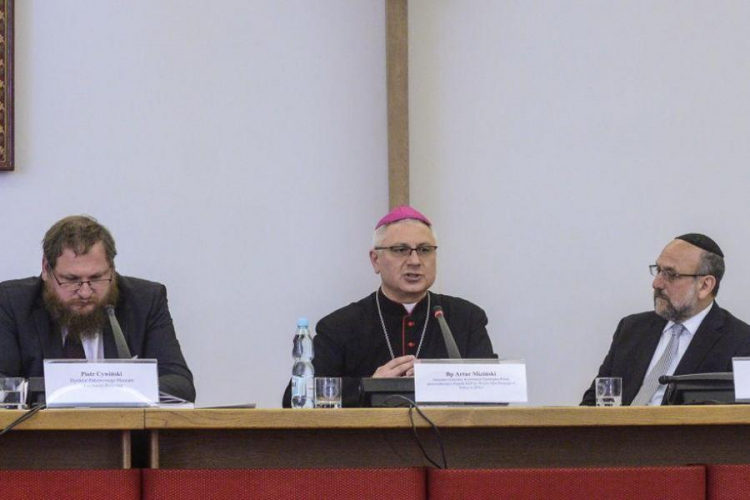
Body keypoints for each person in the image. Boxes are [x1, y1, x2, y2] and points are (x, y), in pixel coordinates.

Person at [283, 206, 496, 407]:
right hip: (366, 445)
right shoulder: (340, 326)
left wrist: (441, 380)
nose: (415, 261)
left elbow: (496, 390)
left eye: (424, 250)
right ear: (375, 260)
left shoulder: (466, 318)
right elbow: (296, 397)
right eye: (400, 249)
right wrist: (368, 386)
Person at [0, 215, 196, 402]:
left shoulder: (145, 301)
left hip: (123, 434)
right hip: (40, 436)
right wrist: (101, 386)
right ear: (45, 269)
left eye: (96, 278)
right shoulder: (12, 303)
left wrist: (99, 389)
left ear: (112, 268)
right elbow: (3, 386)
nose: (85, 292)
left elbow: (181, 385)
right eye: (71, 280)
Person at [582, 233, 750, 406]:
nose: (656, 283)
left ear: (705, 285)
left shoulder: (741, 342)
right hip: (619, 432)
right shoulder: (632, 329)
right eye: (658, 270)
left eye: (671, 274)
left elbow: (740, 421)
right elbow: (594, 403)